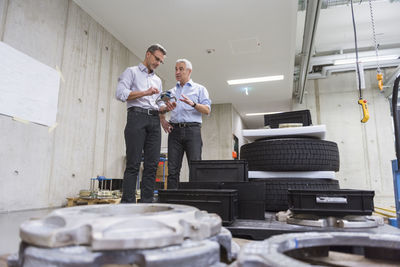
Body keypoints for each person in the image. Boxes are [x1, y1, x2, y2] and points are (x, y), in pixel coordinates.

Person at [116, 44, 175, 203]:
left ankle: (147, 203)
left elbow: (158, 104)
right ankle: (127, 203)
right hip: (137, 117)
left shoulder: (157, 80)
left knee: (152, 165)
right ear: (148, 54)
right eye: (156, 59)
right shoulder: (131, 72)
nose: (158, 63)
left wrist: (165, 109)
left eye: (161, 61)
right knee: (133, 164)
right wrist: (145, 92)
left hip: (154, 121)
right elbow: (120, 94)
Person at [160, 59, 211, 189]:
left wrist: (193, 104)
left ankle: (194, 202)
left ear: (189, 71)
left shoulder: (200, 89)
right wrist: (162, 119)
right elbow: (160, 107)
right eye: (176, 69)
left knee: (195, 169)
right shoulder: (170, 92)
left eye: (181, 69)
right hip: (174, 132)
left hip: (192, 131)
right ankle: (173, 202)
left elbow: (207, 110)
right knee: (172, 170)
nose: (177, 72)